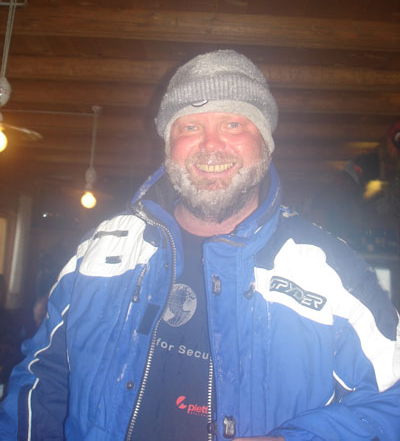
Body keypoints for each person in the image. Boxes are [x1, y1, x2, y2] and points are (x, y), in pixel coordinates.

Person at [0, 50, 399, 440]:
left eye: (233, 124)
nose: (210, 144)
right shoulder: (102, 248)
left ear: (266, 143)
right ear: (167, 145)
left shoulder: (330, 272)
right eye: (190, 127)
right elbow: (41, 378)